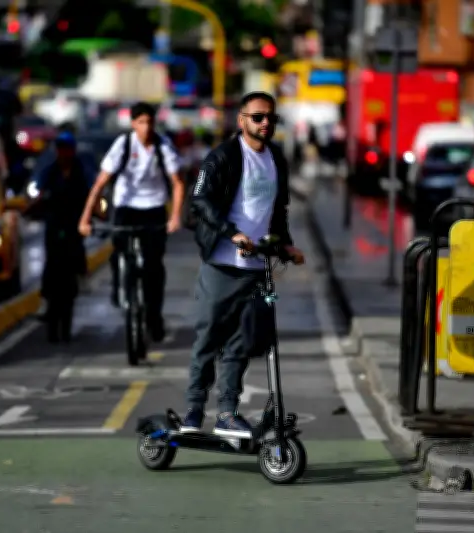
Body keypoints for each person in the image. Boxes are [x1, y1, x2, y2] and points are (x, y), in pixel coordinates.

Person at [180, 91, 305, 437]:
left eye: (271, 118)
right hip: (223, 263)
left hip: (256, 267)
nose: (265, 124)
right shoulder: (223, 157)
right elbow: (200, 199)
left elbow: (277, 210)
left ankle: (227, 413)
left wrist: (287, 246)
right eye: (258, 117)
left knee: (239, 343)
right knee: (209, 338)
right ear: (242, 120)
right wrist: (230, 233)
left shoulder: (276, 159)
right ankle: (193, 411)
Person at [78, 102, 184, 342]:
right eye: (141, 123)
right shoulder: (123, 145)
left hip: (154, 207)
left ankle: (154, 316)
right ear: (133, 124)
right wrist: (85, 218)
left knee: (154, 266)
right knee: (118, 249)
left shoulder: (163, 146)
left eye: (150, 122)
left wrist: (174, 216)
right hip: (126, 206)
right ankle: (119, 288)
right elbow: (100, 183)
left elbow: (177, 183)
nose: (146, 128)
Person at [26, 131, 90, 343]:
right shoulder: (49, 172)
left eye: (67, 148)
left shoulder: (81, 171)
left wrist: (96, 213)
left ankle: (81, 278)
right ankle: (47, 299)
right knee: (51, 264)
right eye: (60, 148)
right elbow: (39, 193)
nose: (64, 153)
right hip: (54, 226)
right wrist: (32, 206)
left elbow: (91, 196)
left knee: (75, 259)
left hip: (74, 227)